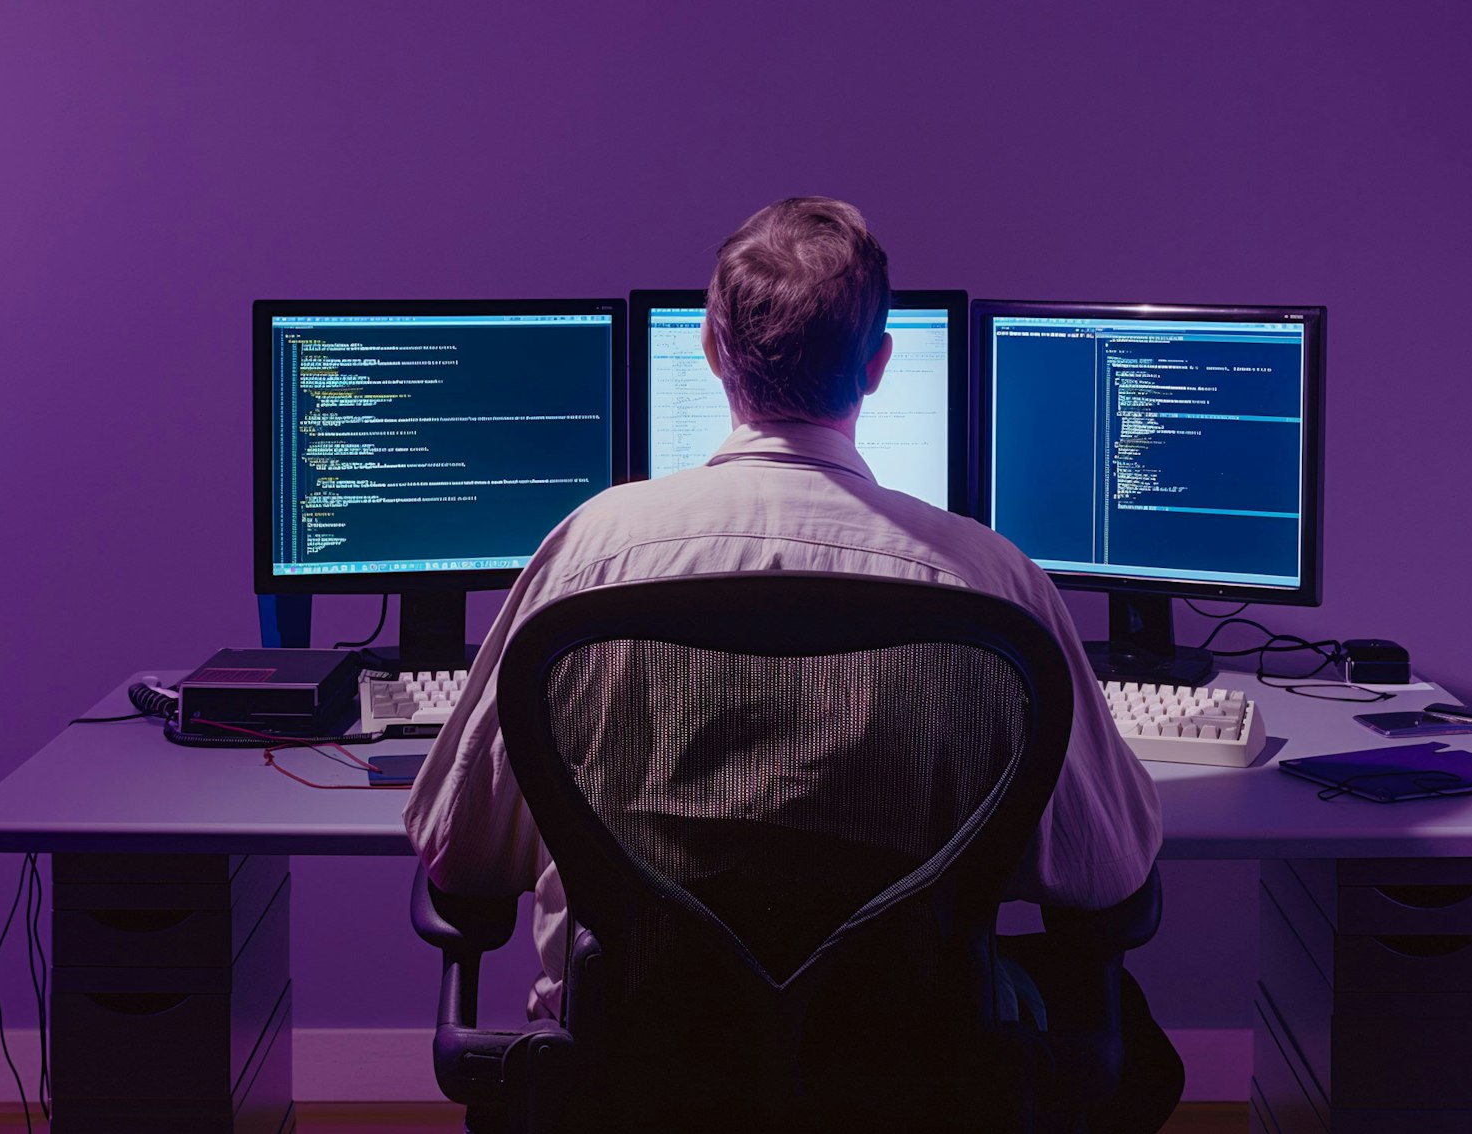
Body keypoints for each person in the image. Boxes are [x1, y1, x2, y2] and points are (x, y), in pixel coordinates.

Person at [404, 197, 1178, 1126]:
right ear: (881, 364)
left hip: (640, 1066)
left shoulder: (589, 555)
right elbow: (1109, 872)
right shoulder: (992, 582)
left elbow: (459, 852)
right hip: (906, 1076)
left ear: (710, 349)